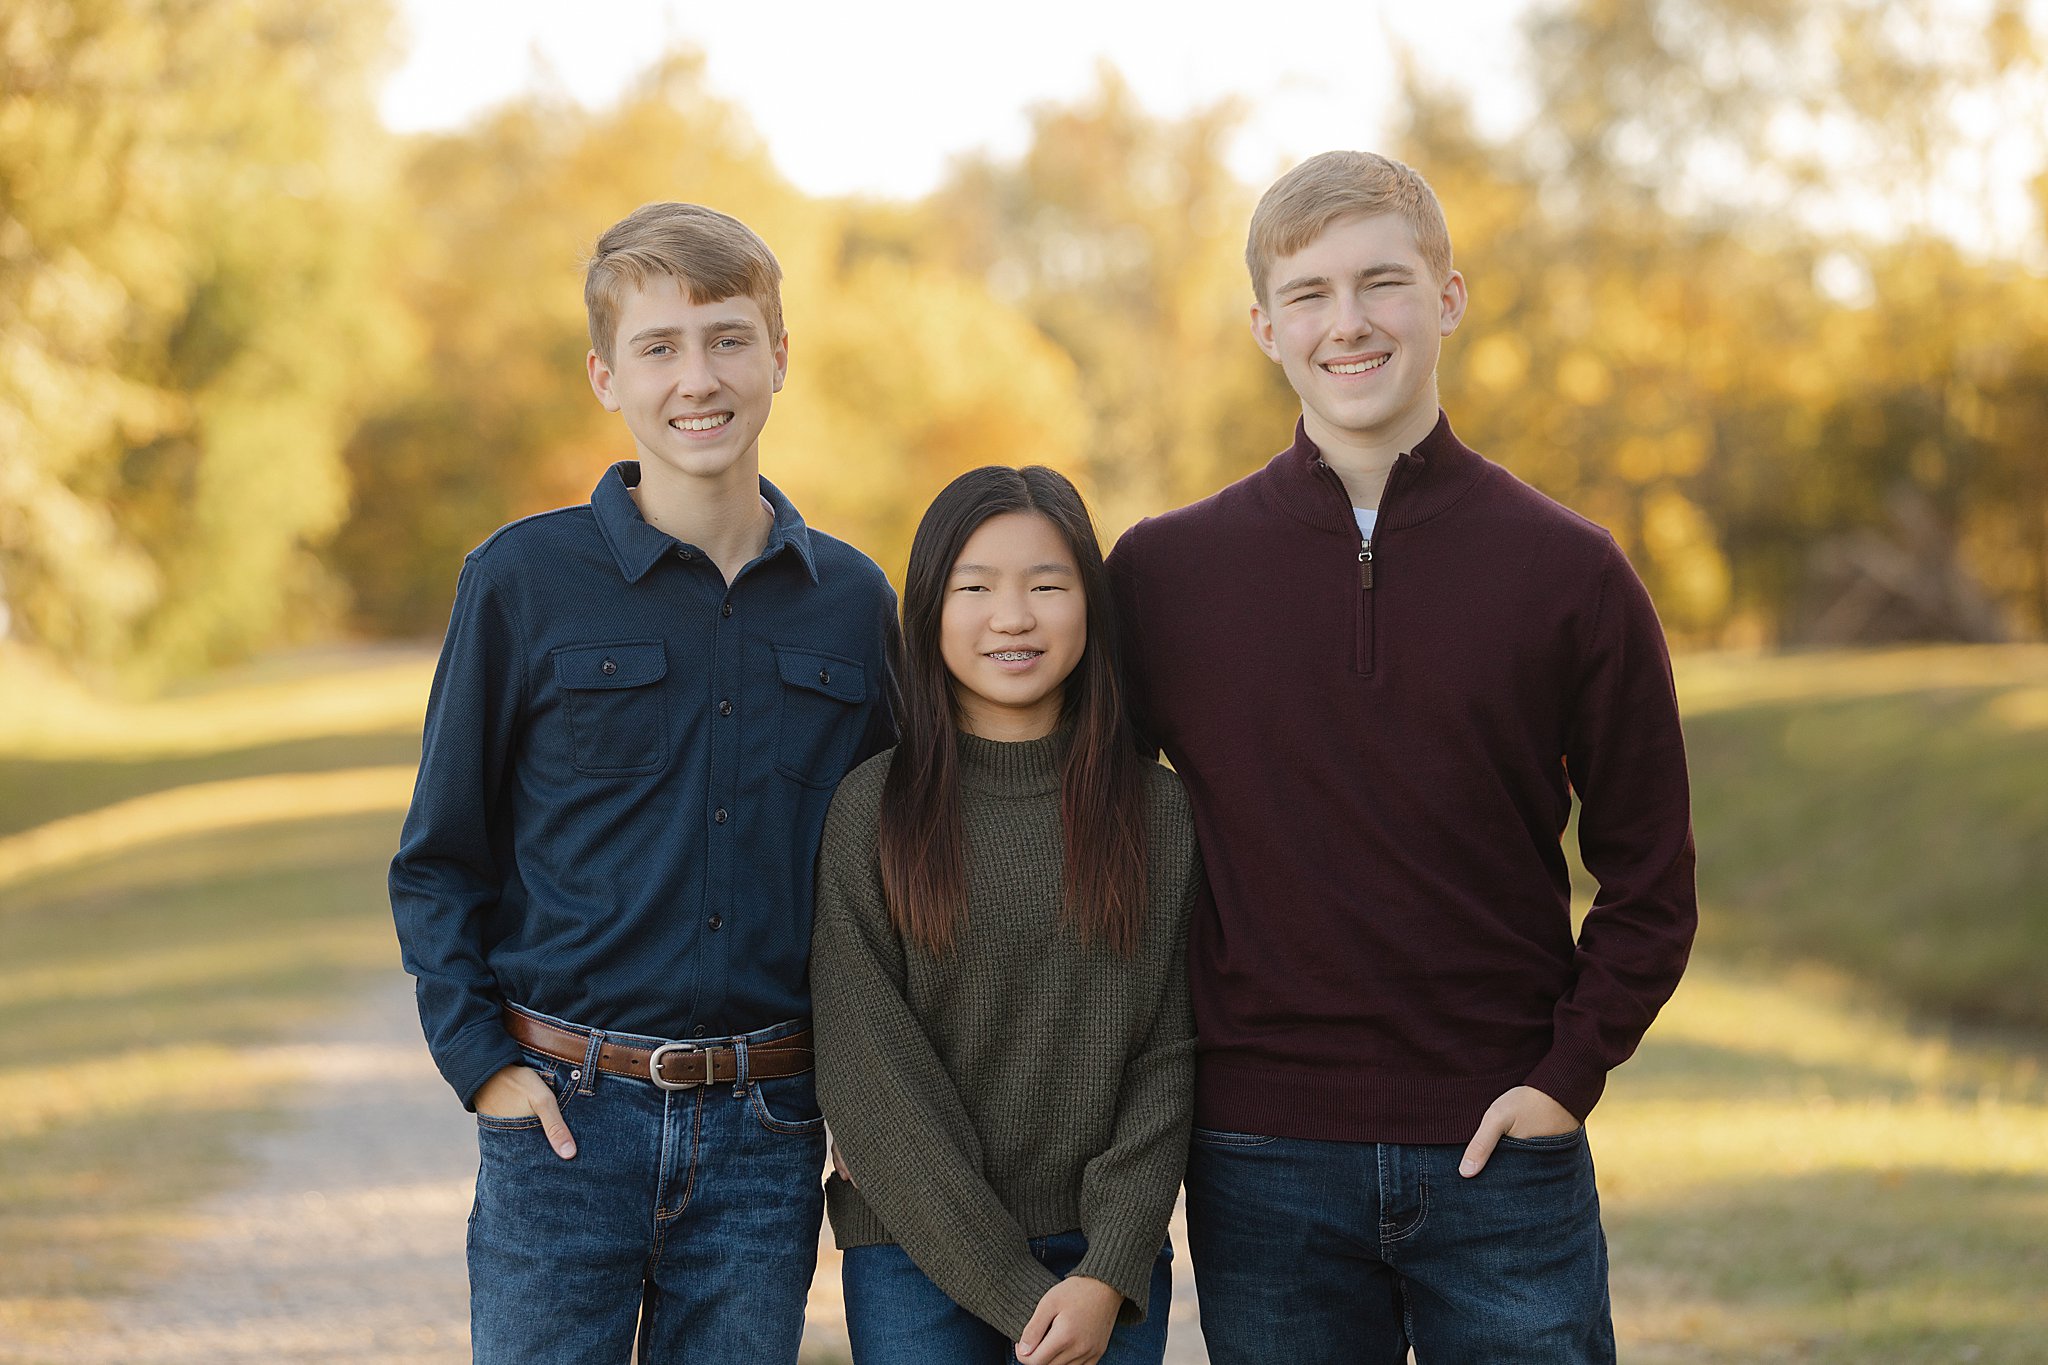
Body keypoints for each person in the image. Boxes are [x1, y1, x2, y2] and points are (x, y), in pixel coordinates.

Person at [1104, 151, 1698, 1364]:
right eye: (1308, 293)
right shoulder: (1164, 574)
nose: (1348, 322)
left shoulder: (1570, 571)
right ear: (1264, 328)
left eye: (1381, 281)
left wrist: (1564, 1080)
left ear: (1447, 298)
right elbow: (1073, 830)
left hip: (1501, 1147)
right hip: (1258, 1155)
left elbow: (1649, 880)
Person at [388, 201, 898, 1364]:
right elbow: (440, 855)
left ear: (779, 356)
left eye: (727, 339)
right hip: (565, 1121)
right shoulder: (521, 580)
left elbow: (896, 871)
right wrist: (481, 1067)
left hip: (766, 1131)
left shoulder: (851, 604)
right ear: (605, 377)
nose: (696, 378)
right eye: (658, 346)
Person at [811, 465, 1201, 1365]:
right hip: (912, 1251)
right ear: (928, 609)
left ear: (1091, 605)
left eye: (1047, 586)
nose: (1013, 617)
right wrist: (1017, 1293)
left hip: (1103, 1261)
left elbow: (1168, 1055)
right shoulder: (872, 810)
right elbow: (871, 1076)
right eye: (976, 588)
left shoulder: (1156, 811)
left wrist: (1107, 1269)